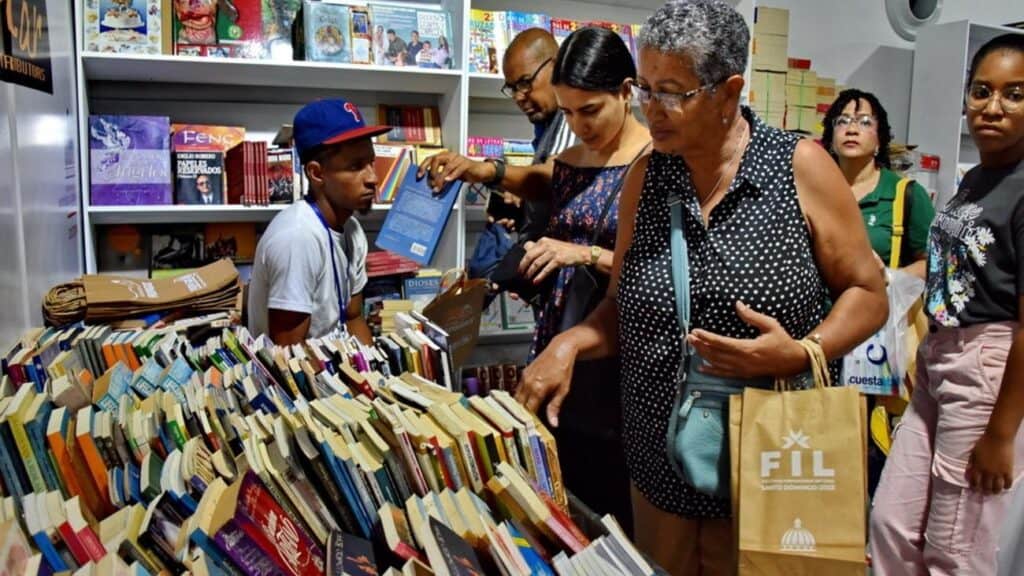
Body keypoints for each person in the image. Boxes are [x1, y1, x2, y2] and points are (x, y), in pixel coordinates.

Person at [515, 1, 887, 573]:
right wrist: (569, 345)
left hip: (771, 456)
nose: (651, 109)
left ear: (728, 90)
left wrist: (804, 350)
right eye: (645, 88)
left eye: (673, 92)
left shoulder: (799, 168)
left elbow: (868, 292)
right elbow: (624, 302)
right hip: (658, 454)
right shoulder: (648, 174)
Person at [419, 26, 649, 533]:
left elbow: (660, 272)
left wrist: (585, 252)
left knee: (615, 506)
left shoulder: (654, 163)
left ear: (627, 92)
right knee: (562, 495)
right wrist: (484, 175)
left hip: (617, 353)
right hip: (557, 339)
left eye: (590, 111)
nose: (580, 126)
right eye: (567, 112)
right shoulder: (569, 160)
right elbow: (541, 179)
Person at [870, 33, 1024, 575]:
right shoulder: (978, 179)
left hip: (988, 368)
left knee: (954, 548)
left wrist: (1002, 434)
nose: (993, 107)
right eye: (982, 91)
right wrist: (929, 347)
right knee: (890, 524)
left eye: (1015, 94)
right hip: (941, 360)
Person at [248, 99, 389, 346]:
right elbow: (288, 357)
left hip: (337, 364)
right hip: (301, 375)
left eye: (371, 162)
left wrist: (375, 376)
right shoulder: (297, 238)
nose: (373, 178)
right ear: (316, 173)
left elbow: (354, 317)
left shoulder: (352, 228)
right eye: (356, 166)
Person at [823, 89, 935, 279]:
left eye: (865, 122)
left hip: (876, 306)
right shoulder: (814, 191)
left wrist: (890, 278)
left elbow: (935, 263)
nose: (851, 129)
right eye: (842, 121)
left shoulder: (907, 194)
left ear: (879, 141)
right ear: (831, 140)